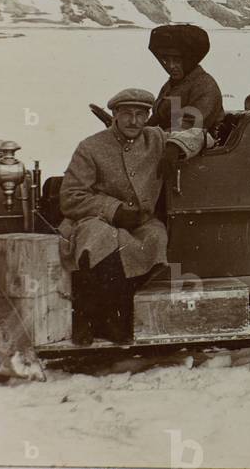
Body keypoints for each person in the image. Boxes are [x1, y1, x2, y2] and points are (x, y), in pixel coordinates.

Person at [59, 88, 213, 345]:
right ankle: (90, 318)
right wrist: (114, 210)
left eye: (141, 114)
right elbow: (71, 197)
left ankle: (113, 318)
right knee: (100, 239)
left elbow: (203, 136)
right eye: (127, 114)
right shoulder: (91, 147)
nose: (134, 121)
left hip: (141, 222)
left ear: (147, 116)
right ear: (115, 115)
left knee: (154, 238)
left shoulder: (156, 139)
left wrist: (175, 147)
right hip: (94, 218)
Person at [146, 24, 224, 133]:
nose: (170, 66)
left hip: (191, 145)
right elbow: (156, 117)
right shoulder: (172, 85)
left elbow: (189, 127)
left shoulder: (205, 86)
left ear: (189, 60)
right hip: (168, 139)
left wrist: (153, 137)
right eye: (166, 60)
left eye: (177, 60)